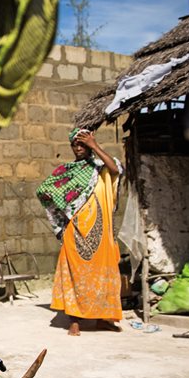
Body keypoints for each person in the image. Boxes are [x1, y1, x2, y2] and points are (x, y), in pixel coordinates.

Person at [37, 128, 123, 336]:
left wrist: (95, 146)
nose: (78, 148)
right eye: (75, 144)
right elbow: (44, 191)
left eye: (82, 144)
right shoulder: (67, 171)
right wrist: (63, 216)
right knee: (75, 274)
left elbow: (116, 170)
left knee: (104, 273)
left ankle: (103, 318)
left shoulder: (101, 168)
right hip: (75, 231)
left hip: (101, 233)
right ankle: (74, 320)